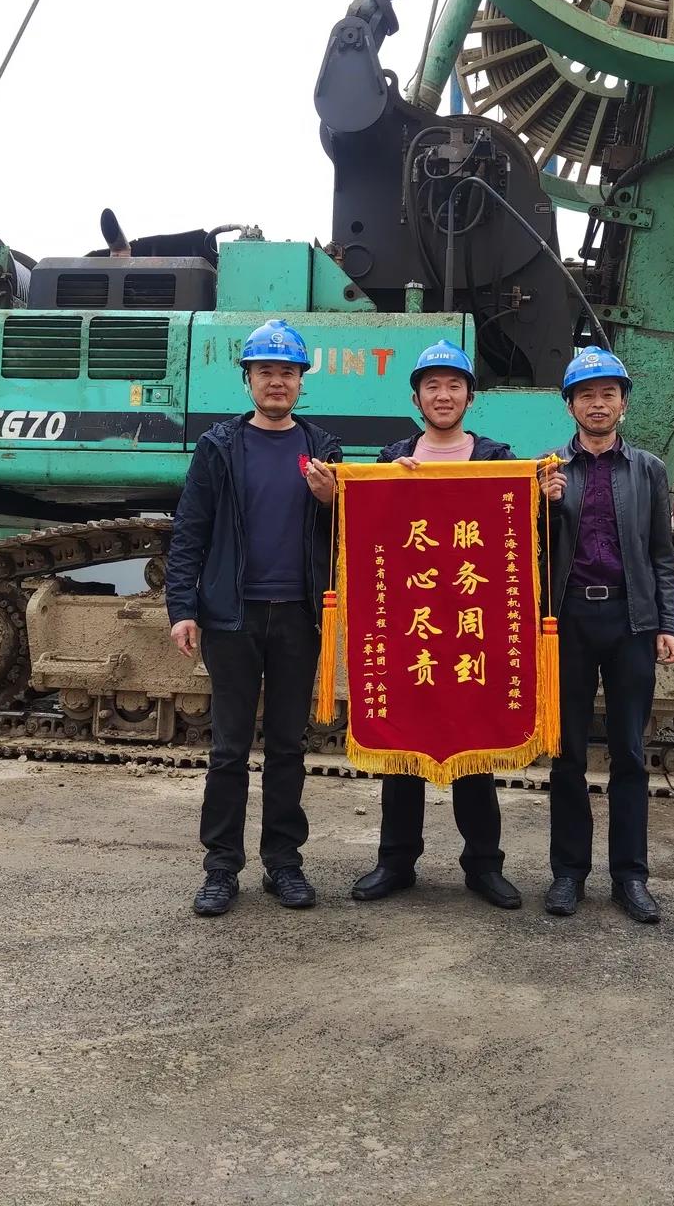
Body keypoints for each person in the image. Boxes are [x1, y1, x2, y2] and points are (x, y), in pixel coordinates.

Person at [166, 319, 341, 917]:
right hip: (230, 618)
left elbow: (346, 534)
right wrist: (182, 608)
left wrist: (332, 501)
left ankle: (283, 863)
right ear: (248, 379)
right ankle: (221, 868)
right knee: (229, 749)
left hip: (298, 618)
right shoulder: (219, 447)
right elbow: (190, 530)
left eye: (287, 372)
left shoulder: (323, 449)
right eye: (265, 371)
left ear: (301, 382)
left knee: (288, 746)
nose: (276, 382)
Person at [351, 340, 522, 910]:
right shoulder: (392, 458)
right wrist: (386, 487)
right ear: (416, 399)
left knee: (474, 745)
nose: (443, 396)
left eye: (454, 386)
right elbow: (366, 534)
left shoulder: (497, 460)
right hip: (412, 624)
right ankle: (395, 862)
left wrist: (544, 495)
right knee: (403, 746)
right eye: (432, 386)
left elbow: (519, 535)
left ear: (470, 398)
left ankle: (484, 866)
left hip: (473, 625)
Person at [538, 348, 674, 924]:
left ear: (623, 403)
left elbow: (662, 554)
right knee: (567, 754)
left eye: (608, 394)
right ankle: (568, 874)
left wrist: (667, 624)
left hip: (630, 621)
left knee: (629, 754)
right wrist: (541, 507)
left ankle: (631, 877)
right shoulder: (547, 470)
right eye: (586, 395)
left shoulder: (647, 470)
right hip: (568, 620)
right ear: (570, 405)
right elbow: (524, 549)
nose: (597, 404)